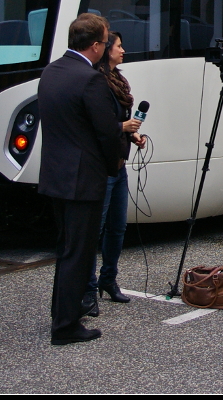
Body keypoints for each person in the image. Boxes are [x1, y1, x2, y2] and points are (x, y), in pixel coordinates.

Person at [38, 13, 132, 345]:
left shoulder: (52, 71)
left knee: (67, 250)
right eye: (106, 42)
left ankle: (59, 312)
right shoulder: (89, 79)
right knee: (79, 253)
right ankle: (66, 325)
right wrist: (112, 166)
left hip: (55, 176)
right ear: (94, 46)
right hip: (83, 179)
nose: (107, 47)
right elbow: (106, 132)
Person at [83, 32, 147, 313]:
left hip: (119, 162)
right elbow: (99, 124)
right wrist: (123, 128)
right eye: (119, 46)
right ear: (106, 49)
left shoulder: (119, 81)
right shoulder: (95, 81)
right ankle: (87, 289)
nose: (123, 51)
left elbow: (119, 121)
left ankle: (109, 280)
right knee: (95, 229)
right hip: (103, 166)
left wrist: (132, 134)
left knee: (117, 228)